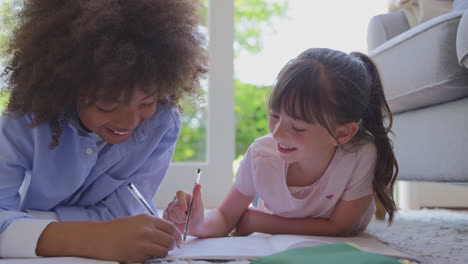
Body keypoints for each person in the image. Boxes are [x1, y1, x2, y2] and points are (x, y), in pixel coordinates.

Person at [0, 0, 206, 262]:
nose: (128, 122)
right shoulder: (26, 120)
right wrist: (90, 237)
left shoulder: (162, 123)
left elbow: (123, 214)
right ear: (68, 87)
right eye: (108, 103)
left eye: (147, 102)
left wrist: (29, 221)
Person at [164, 48, 398, 238]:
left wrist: (259, 221)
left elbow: (340, 227)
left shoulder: (360, 153)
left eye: (298, 127)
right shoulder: (261, 155)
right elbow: (226, 217)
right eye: (274, 116)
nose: (277, 133)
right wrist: (196, 224)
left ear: (343, 134)